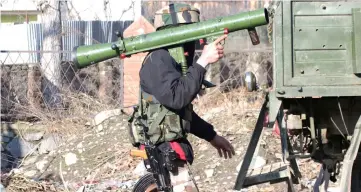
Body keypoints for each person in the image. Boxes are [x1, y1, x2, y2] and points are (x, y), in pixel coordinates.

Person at [135, 3, 235, 192]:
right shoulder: (159, 59)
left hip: (170, 152)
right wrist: (202, 61)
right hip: (163, 153)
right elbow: (177, 98)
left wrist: (212, 136)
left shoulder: (169, 59)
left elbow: (179, 113)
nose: (191, 46)